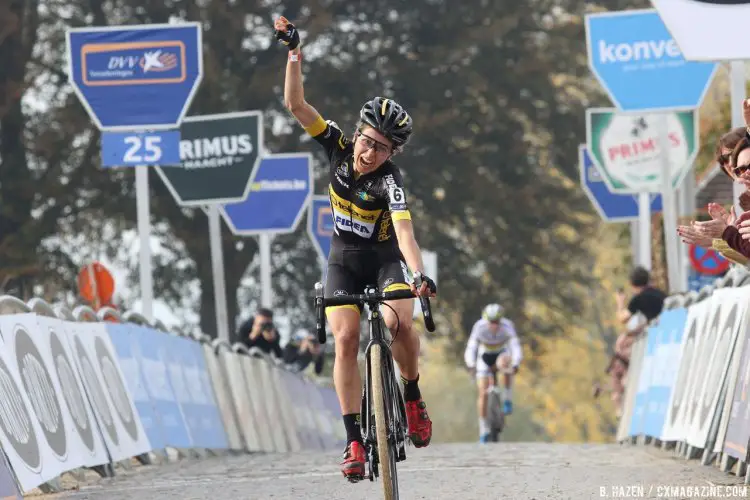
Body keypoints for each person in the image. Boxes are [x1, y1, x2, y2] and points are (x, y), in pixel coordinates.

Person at [273, 16, 438, 481]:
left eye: (381, 148)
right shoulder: (338, 147)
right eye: (367, 141)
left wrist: (419, 275)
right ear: (358, 133)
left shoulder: (390, 182)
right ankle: (352, 440)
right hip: (343, 260)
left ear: (393, 154)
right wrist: (294, 53)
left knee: (400, 322)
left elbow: (405, 234)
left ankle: (411, 396)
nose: (369, 152)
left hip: (386, 261)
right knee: (345, 339)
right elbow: (295, 103)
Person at [463, 303, 522, 443]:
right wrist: (471, 364)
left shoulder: (507, 326)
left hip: (501, 355)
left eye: (497, 322)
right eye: (491, 322)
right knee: (483, 393)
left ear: (501, 320)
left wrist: (516, 363)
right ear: (486, 320)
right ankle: (484, 430)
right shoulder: (479, 327)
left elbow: (515, 346)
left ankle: (507, 398)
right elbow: (471, 347)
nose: (494, 325)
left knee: (507, 363)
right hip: (485, 356)